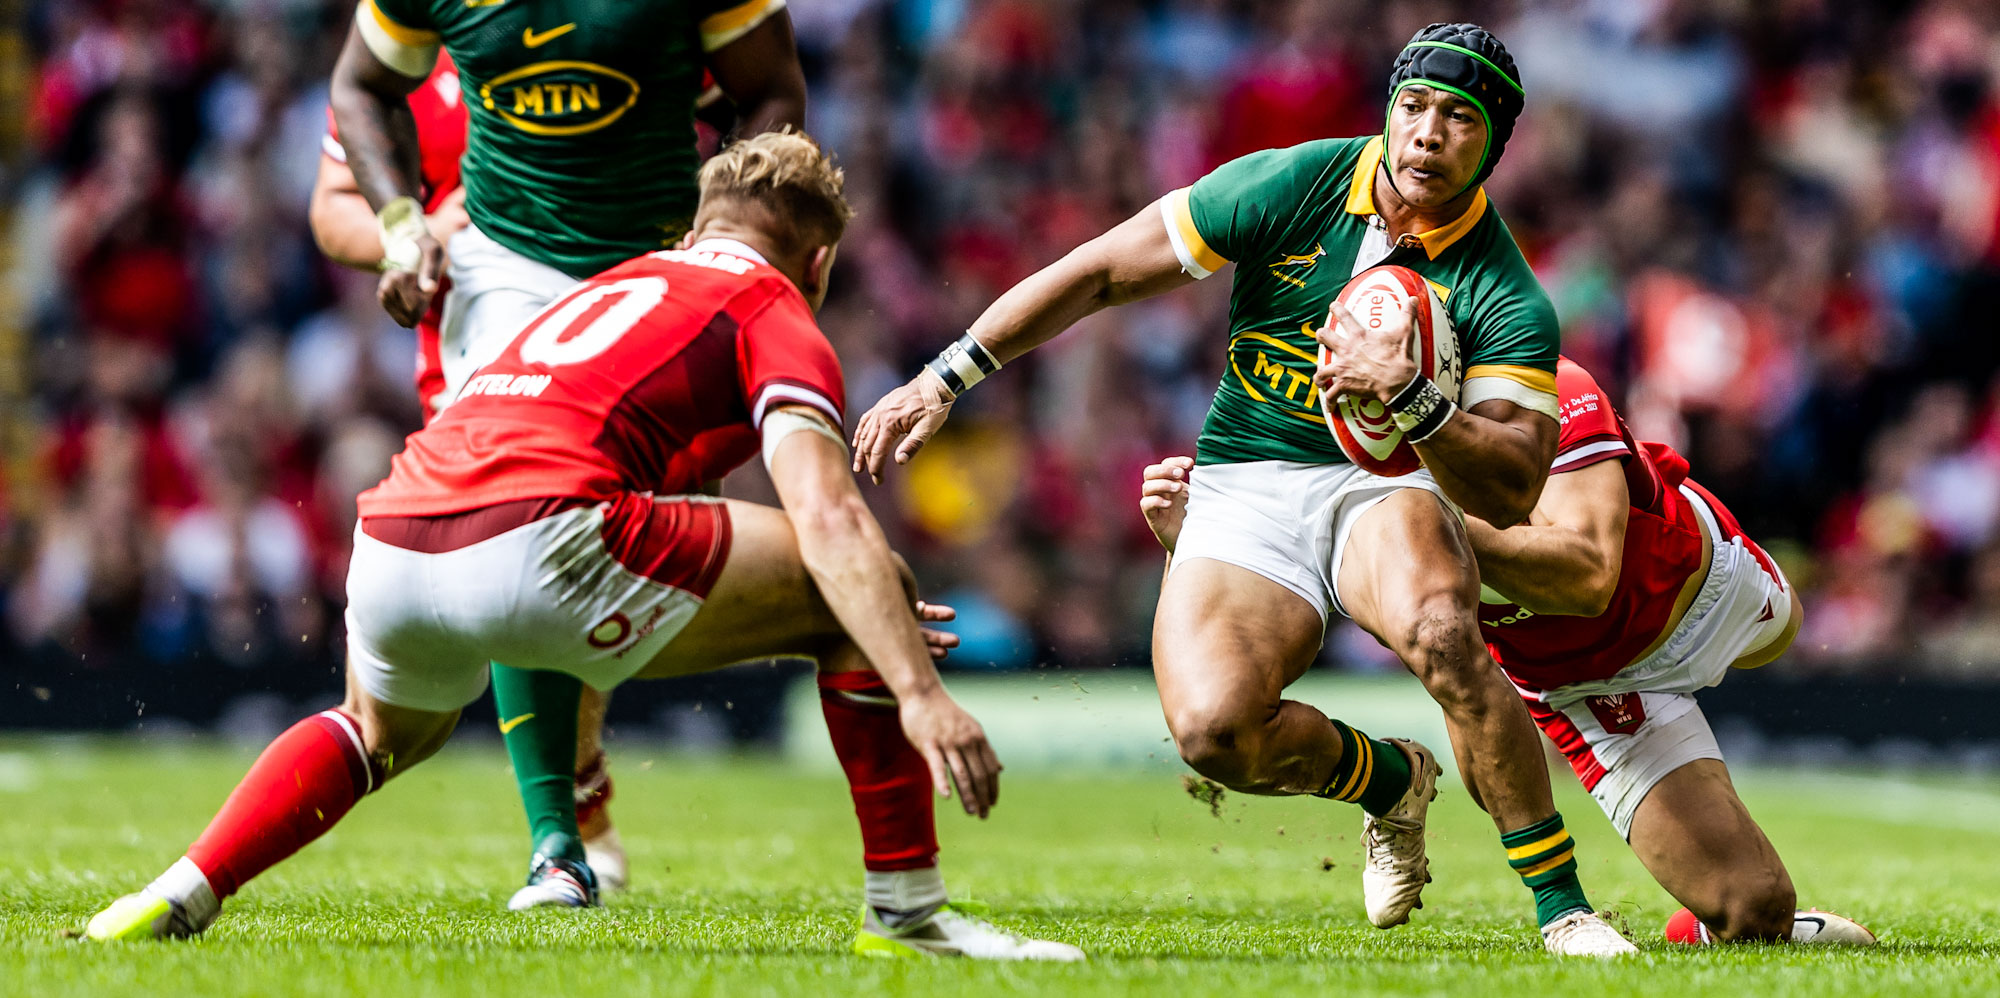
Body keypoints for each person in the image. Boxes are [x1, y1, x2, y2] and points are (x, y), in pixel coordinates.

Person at [85, 132, 1082, 962]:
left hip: (396, 528)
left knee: (377, 729)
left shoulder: (622, 281)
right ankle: (907, 912)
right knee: (862, 588)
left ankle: (187, 881)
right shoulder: (770, 306)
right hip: (538, 537)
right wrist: (918, 691)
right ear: (817, 262)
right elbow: (828, 517)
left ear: (697, 226)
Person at [852, 23, 1631, 956]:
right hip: (1247, 479)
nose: (1429, 133)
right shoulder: (1291, 183)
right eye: (1415, 106)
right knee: (1214, 734)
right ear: (1389, 110)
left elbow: (1509, 488)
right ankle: (1389, 782)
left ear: (1494, 145)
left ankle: (1563, 909)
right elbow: (1100, 269)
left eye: (1461, 119)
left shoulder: (1505, 291)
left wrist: (1416, 400)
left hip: (1389, 487)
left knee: (1441, 633)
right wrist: (945, 378)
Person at [325, 0, 810, 907]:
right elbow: (349, 124)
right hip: (499, 275)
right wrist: (404, 228)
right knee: (531, 513)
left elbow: (774, 88)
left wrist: (726, 231)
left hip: (653, 268)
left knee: (623, 540)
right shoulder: (420, 31)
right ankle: (559, 834)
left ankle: (572, 782)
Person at [1136, 356, 1877, 948]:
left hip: (1699, 595)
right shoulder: (1319, 476)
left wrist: (1430, 531)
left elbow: (1588, 577)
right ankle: (1712, 915)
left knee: (1786, 628)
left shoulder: (1543, 392)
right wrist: (1198, 548)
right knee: (1755, 913)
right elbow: (1424, 670)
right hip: (1585, 688)